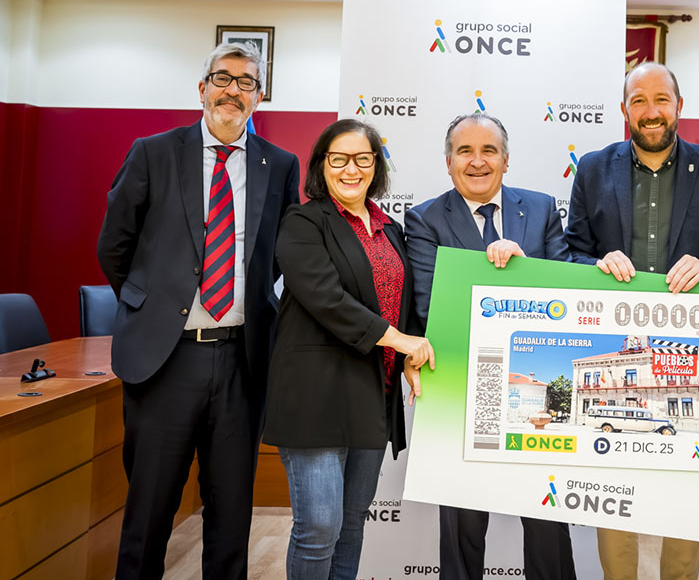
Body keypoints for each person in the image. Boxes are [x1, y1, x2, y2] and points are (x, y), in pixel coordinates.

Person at [96, 43, 300, 580]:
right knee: (149, 515)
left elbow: (283, 254)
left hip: (241, 363)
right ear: (202, 87)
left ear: (259, 97)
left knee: (231, 517)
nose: (233, 90)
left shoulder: (279, 166)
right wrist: (151, 309)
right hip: (165, 361)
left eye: (246, 82)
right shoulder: (153, 152)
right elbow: (114, 246)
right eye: (223, 78)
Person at [564, 61, 699, 580]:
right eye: (638, 100)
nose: (650, 111)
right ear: (623, 110)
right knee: (613, 487)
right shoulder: (594, 168)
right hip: (610, 348)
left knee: (684, 485)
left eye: (661, 99)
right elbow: (573, 251)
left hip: (689, 354)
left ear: (679, 106)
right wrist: (595, 265)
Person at [405, 111, 576, 580]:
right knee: (461, 523)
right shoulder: (422, 219)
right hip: (460, 388)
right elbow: (430, 304)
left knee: (546, 520)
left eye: (488, 151)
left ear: (506, 160)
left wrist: (525, 270)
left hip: (532, 392)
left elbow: (568, 295)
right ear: (447, 162)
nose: (477, 161)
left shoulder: (541, 209)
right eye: (465, 151)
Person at [263, 119, 434, 580]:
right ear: (322, 165)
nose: (351, 169)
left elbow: (399, 302)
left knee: (352, 526)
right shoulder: (302, 222)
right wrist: (399, 340)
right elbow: (326, 298)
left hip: (371, 395)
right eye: (339, 159)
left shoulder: (390, 229)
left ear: (376, 165)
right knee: (320, 526)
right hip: (315, 396)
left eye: (363, 158)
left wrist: (408, 360)